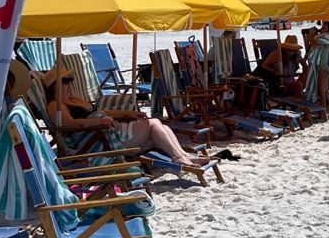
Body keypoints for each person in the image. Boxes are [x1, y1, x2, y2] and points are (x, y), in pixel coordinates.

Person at [43, 66, 209, 168]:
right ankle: (178, 157)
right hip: (97, 141)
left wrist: (127, 113)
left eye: (70, 80)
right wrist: (99, 121)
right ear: (53, 86)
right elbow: (70, 124)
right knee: (153, 124)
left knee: (161, 126)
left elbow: (103, 111)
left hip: (105, 132)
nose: (69, 83)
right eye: (65, 80)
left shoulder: (75, 101)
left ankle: (183, 156)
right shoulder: (55, 105)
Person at [304, 22, 329, 120]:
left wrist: (311, 35)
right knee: (325, 93)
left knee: (322, 93)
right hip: (323, 68)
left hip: (323, 68)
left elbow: (314, 45)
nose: (322, 27)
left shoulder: (328, 37)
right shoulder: (324, 37)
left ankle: (323, 115)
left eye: (324, 26)